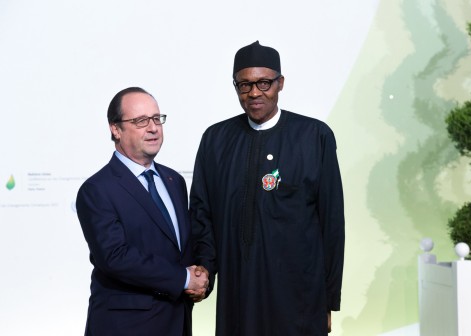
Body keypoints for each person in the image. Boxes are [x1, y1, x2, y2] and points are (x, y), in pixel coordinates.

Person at [189, 41, 345, 335]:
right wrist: (204, 268)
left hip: (299, 297)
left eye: (264, 83)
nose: (254, 93)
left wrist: (328, 300)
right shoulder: (216, 140)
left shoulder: (314, 137)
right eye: (244, 85)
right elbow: (201, 212)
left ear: (280, 83)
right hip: (238, 294)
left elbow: (332, 224)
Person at [76, 87, 208, 336]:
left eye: (157, 118)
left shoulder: (174, 180)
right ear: (115, 129)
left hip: (177, 321)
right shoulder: (97, 189)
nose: (153, 127)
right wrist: (182, 279)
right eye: (140, 121)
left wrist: (201, 275)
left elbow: (182, 248)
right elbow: (115, 257)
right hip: (126, 327)